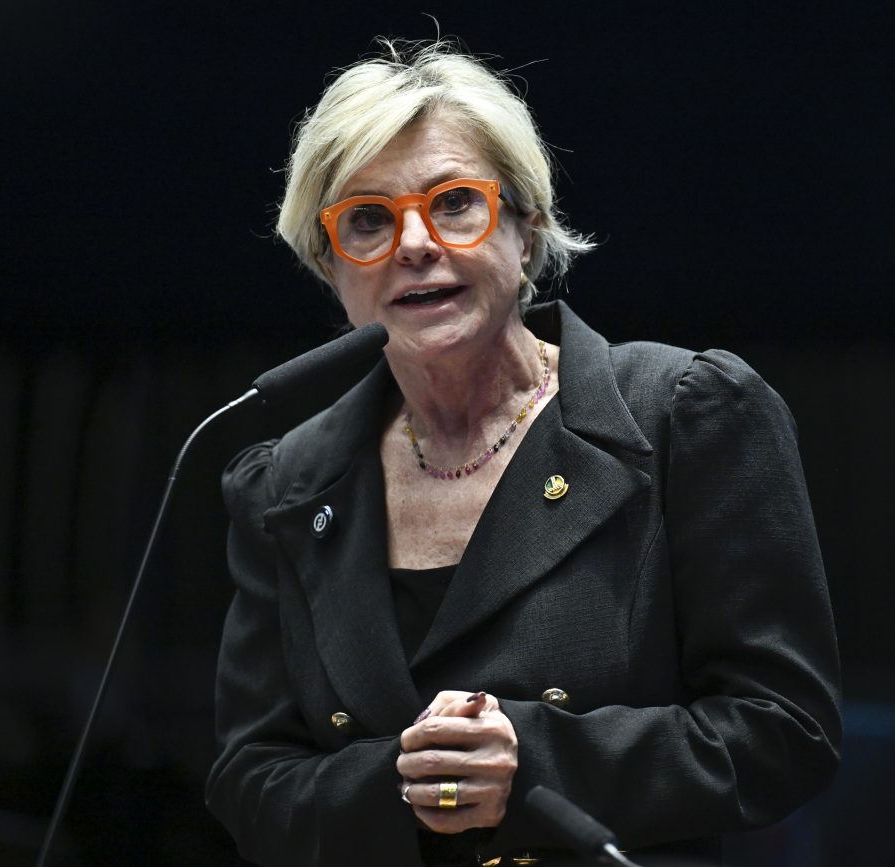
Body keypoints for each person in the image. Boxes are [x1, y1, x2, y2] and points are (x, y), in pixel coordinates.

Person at [206, 38, 841, 867]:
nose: (413, 243)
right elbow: (249, 781)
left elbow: (785, 730)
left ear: (526, 221)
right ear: (332, 268)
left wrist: (536, 763)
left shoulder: (685, 416)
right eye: (367, 220)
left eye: (454, 203)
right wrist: (405, 786)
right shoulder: (286, 485)